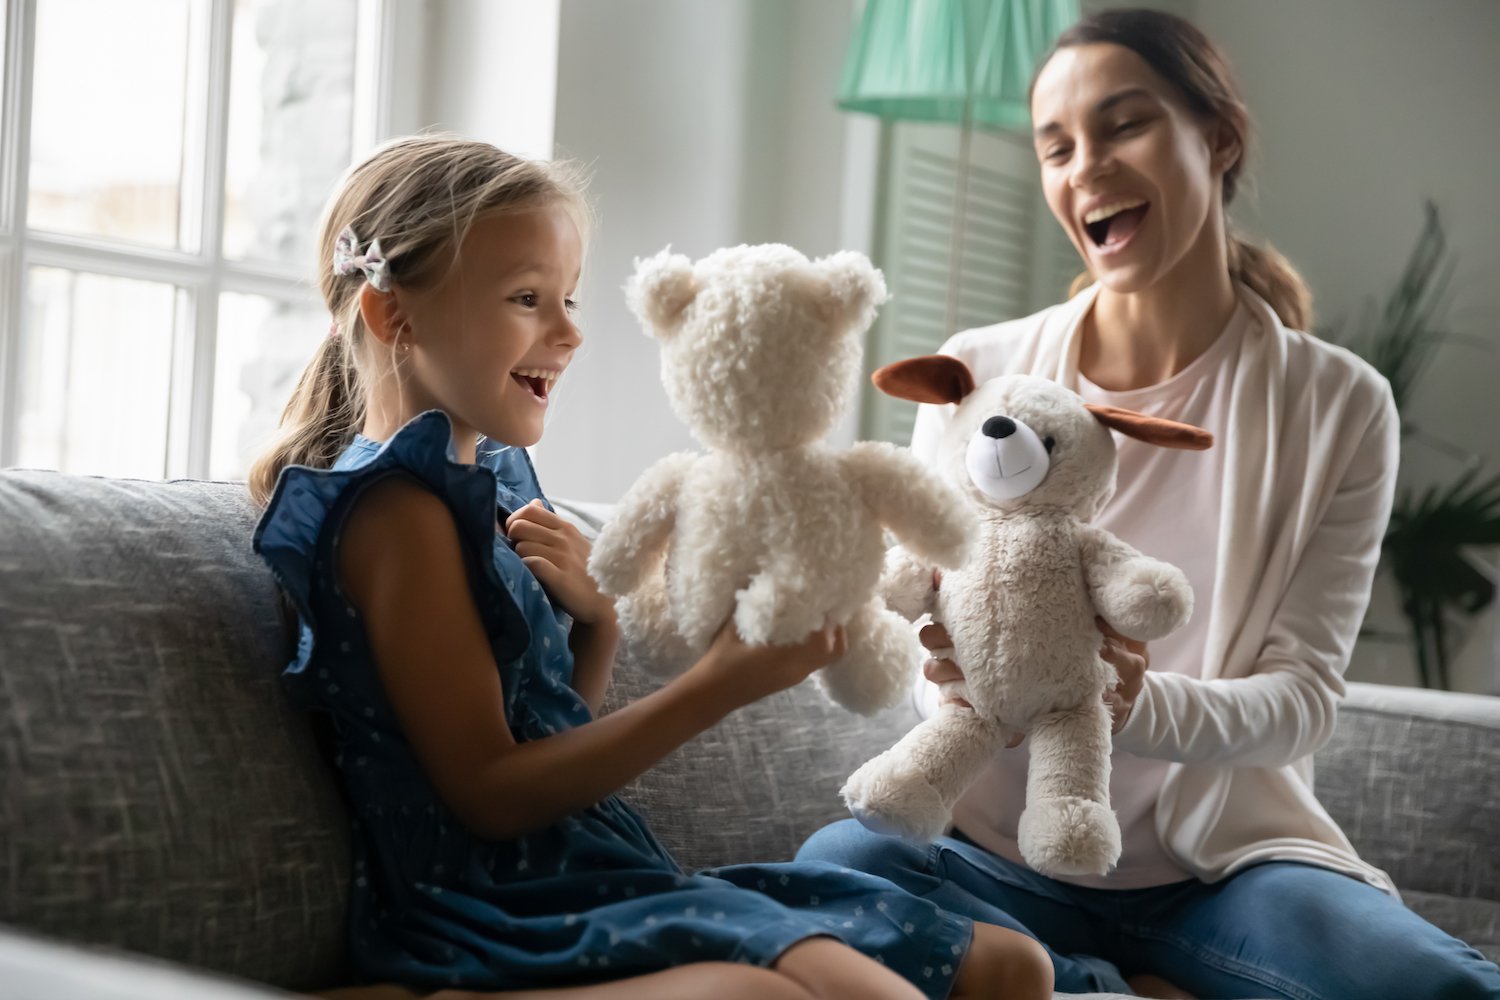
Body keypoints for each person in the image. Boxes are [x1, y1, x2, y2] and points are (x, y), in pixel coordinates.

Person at [797, 9, 1500, 999]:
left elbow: (1299, 702)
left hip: (1222, 878)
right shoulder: (978, 376)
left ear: (1216, 138)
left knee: (1445, 992)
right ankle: (1102, 985)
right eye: (1057, 147)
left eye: (1123, 125)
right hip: (994, 857)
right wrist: (946, 678)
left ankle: (1086, 982)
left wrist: (1130, 700)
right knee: (832, 871)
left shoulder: (1339, 404)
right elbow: (918, 637)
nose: (1085, 166)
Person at [247, 135, 1052, 1000]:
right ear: (392, 315)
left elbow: (545, 748)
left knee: (1015, 967)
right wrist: (716, 684)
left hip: (601, 873)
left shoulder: (487, 497)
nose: (569, 331)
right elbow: (488, 796)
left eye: (569, 298)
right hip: (501, 909)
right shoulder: (396, 514)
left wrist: (598, 623)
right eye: (528, 299)